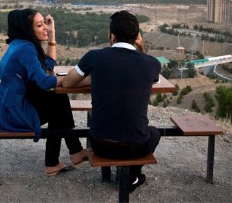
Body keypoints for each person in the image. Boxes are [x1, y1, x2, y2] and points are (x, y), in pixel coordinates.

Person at [62, 10, 161, 192]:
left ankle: (126, 176)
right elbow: (150, 75)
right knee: (155, 132)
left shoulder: (94, 57)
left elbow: (68, 82)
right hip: (137, 146)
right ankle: (132, 175)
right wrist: (142, 48)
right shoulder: (152, 63)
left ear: (111, 36)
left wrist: (97, 76)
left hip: (101, 144)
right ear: (137, 36)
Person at [0, 8, 88, 176]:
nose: (45, 28)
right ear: (28, 29)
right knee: (58, 101)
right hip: (9, 113)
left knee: (57, 100)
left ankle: (64, 157)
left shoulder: (20, 43)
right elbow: (45, 81)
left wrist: (52, 34)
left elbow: (48, 64)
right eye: (40, 25)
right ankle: (67, 155)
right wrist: (72, 78)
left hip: (4, 107)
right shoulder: (25, 48)